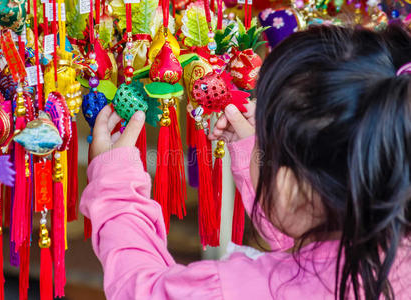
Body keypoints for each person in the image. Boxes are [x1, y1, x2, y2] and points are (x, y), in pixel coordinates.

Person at [80, 24, 411, 299]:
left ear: (289, 184)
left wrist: (116, 188)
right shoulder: (392, 249)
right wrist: (252, 148)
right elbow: (311, 233)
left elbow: (142, 290)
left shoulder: (237, 290)